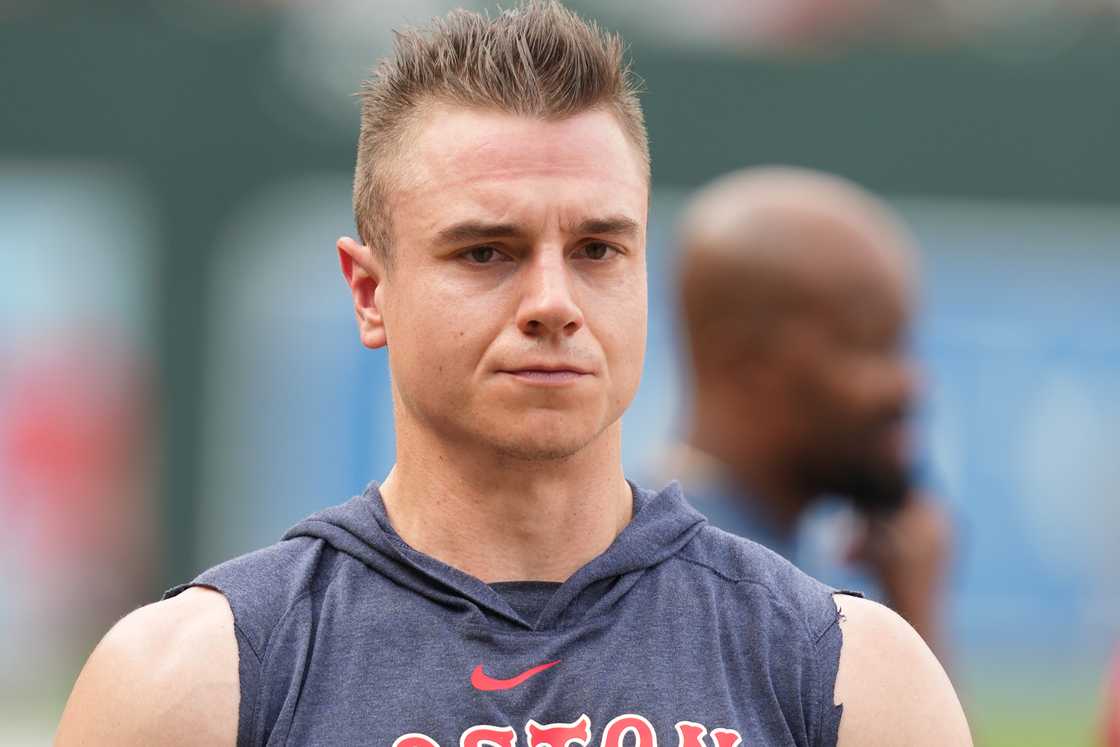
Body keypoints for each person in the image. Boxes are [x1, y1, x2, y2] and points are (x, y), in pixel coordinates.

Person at [55, 3, 971, 745]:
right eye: (488, 252)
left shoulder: (848, 675)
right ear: (370, 293)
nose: (553, 300)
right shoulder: (195, 682)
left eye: (598, 249)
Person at [671, 166, 953, 652]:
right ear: (747, 364)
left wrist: (914, 607)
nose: (910, 386)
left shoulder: (793, 565)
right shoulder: (676, 589)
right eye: (872, 347)